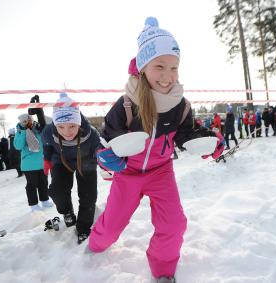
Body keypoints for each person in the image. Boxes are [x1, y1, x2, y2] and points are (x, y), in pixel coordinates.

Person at [88, 17, 224, 283]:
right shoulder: (127, 105)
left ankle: (163, 271)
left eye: (174, 67)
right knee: (112, 228)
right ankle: (93, 247)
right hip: (128, 173)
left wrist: (210, 142)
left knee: (174, 224)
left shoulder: (181, 105)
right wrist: (106, 160)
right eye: (159, 66)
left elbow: (188, 135)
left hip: (161, 172)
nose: (167, 75)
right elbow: (105, 143)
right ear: (142, 68)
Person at [42, 93, 100, 244]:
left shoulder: (91, 134)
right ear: (55, 125)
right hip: (62, 161)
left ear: (79, 123)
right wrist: (47, 159)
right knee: (57, 190)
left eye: (72, 126)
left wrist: (104, 160)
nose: (67, 132)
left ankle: (83, 229)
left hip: (86, 161)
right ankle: (67, 212)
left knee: (88, 196)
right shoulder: (49, 132)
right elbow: (47, 144)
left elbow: (100, 149)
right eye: (61, 127)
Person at [14, 96, 53, 212]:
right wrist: (22, 131)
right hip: (29, 165)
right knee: (32, 185)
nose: (28, 123)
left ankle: (45, 200)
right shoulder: (20, 132)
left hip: (41, 162)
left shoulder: (38, 129)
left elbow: (45, 141)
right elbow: (18, 146)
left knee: (43, 183)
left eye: (29, 121)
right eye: (25, 122)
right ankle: (33, 204)